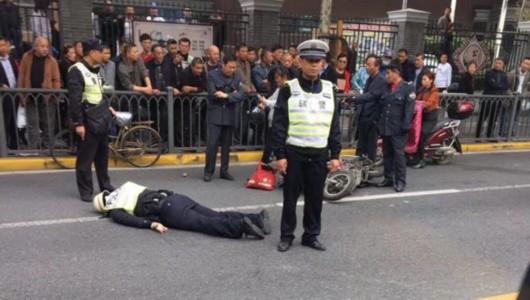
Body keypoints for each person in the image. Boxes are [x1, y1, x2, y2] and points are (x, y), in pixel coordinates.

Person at [272, 39, 341, 252]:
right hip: (295, 152)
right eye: (309, 61)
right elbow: (279, 125)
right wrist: (280, 155)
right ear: (299, 62)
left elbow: (334, 125)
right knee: (290, 198)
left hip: (319, 154)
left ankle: (311, 235)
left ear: (323, 64)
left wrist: (335, 155)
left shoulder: (330, 90)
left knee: (315, 199)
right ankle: (287, 235)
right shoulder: (288, 89)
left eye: (318, 61)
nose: (314, 65)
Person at [93, 182, 270, 239]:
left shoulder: (114, 210)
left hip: (168, 211)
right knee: (215, 215)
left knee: (206, 223)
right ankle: (256, 218)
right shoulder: (126, 186)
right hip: (176, 198)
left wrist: (152, 224)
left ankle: (240, 227)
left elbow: (131, 220)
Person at [67, 39, 115, 202]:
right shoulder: (76, 70)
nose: (103, 55)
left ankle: (105, 186)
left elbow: (99, 92)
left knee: (102, 156)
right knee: (85, 159)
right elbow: (75, 99)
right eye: (100, 51)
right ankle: (86, 191)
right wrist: (78, 124)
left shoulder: (96, 69)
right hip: (87, 120)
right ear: (92, 53)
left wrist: (108, 107)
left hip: (100, 118)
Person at [204, 55, 245, 182]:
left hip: (229, 114)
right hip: (215, 115)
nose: (232, 70)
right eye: (230, 67)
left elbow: (241, 94)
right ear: (223, 65)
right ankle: (208, 171)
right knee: (212, 145)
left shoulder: (237, 77)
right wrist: (231, 95)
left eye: (234, 67)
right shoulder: (212, 75)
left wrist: (227, 95)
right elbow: (212, 93)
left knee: (226, 146)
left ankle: (224, 171)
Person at [376, 62, 415, 193]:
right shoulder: (387, 87)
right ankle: (388, 178)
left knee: (399, 156)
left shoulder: (407, 88)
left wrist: (405, 126)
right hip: (386, 126)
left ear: (396, 72)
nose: (387, 75)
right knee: (387, 154)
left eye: (389, 73)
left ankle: (400, 181)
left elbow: (409, 110)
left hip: (398, 128)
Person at [18, 37, 61, 149]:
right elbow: (21, 77)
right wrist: (22, 95)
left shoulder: (52, 61)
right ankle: (34, 148)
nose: (45, 49)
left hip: (47, 98)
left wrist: (55, 95)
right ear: (35, 47)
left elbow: (56, 79)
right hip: (30, 97)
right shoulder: (26, 58)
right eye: (42, 46)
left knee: (48, 124)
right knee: (32, 124)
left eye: (47, 46)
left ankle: (48, 148)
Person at [351, 54, 387, 161]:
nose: (366, 67)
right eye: (366, 64)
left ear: (377, 66)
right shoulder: (370, 79)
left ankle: (369, 166)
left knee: (370, 146)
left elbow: (371, 95)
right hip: (364, 117)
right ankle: (361, 166)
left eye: (369, 64)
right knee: (362, 144)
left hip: (373, 119)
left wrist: (354, 98)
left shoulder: (380, 80)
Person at [257, 66, 289, 164]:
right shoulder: (280, 88)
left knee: (272, 149)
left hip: (281, 123)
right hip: (273, 122)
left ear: (283, 77)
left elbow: (278, 103)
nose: (276, 80)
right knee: (269, 148)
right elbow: (272, 99)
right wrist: (264, 102)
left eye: (277, 77)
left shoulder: (288, 88)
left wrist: (265, 101)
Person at [411, 72, 440, 169]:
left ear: (431, 80)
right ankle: (413, 156)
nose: (422, 81)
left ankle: (421, 159)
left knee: (421, 135)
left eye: (425, 79)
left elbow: (429, 103)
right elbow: (415, 98)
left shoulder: (434, 92)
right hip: (420, 116)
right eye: (422, 79)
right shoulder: (421, 90)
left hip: (430, 118)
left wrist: (420, 104)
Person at [477, 58, 509, 139]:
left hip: (497, 101)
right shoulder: (489, 73)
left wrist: (498, 85)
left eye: (500, 63)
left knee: (493, 119)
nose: (497, 65)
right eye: (496, 63)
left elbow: (505, 86)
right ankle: (478, 135)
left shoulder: (504, 75)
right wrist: (499, 85)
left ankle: (489, 135)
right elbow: (492, 84)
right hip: (487, 100)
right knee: (483, 118)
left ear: (503, 65)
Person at [0, 36, 18, 149]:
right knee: (5, 120)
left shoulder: (11, 59)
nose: (2, 48)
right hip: (3, 95)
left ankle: (14, 144)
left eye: (3, 45)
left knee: (13, 119)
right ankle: (4, 145)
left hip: (14, 93)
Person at [505, 57, 530, 137]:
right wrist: (511, 95)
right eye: (525, 63)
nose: (526, 66)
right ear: (521, 63)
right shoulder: (512, 73)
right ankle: (505, 133)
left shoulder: (528, 76)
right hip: (511, 99)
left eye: (529, 64)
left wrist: (524, 94)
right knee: (507, 117)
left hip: (520, 99)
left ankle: (512, 133)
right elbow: (506, 87)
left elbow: (527, 89)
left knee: (516, 117)